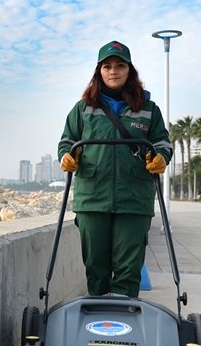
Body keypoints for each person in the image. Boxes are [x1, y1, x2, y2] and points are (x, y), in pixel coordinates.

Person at [58, 40, 172, 298]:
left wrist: (161, 157)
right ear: (99, 71)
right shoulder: (83, 109)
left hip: (134, 199)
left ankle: (125, 322)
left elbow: (162, 142)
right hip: (92, 198)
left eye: (120, 66)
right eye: (107, 66)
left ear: (130, 70)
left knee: (128, 269)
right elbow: (67, 141)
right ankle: (97, 323)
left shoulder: (148, 109)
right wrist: (66, 156)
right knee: (96, 268)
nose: (113, 71)